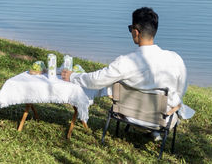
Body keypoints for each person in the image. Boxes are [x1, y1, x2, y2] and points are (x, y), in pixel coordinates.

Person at [61, 7, 194, 123]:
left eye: (131, 28)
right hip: (163, 120)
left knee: (110, 82)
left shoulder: (127, 61)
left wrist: (73, 76)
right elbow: (180, 89)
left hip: (130, 115)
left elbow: (97, 80)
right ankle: (156, 133)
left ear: (136, 32)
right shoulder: (175, 59)